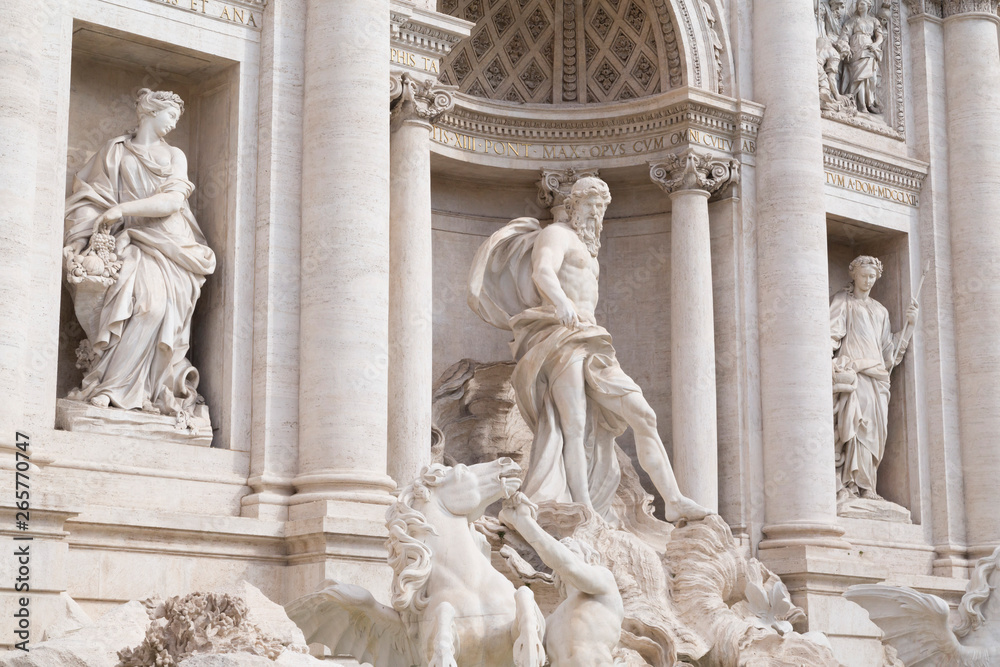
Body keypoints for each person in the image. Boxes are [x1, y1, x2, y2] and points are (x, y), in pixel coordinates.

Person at [468, 176, 709, 522]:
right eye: (590, 206)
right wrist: (562, 302)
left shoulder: (589, 251)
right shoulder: (557, 235)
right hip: (559, 336)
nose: (596, 214)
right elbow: (542, 271)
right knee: (574, 426)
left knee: (643, 414)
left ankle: (673, 499)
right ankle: (582, 507)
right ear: (572, 206)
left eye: (601, 208)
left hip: (592, 339)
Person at [62, 88, 216, 417]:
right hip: (130, 240)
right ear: (149, 112)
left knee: (154, 309)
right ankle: (111, 385)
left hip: (172, 243)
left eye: (178, 118)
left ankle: (132, 388)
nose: (174, 123)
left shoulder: (175, 155)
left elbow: (173, 202)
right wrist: (78, 239)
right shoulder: (115, 151)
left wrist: (121, 210)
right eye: (170, 115)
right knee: (135, 303)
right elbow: (92, 197)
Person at [499, 491, 623, 667]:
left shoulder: (604, 586)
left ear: (590, 559)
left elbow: (568, 565)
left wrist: (522, 520)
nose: (563, 551)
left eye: (570, 550)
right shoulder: (551, 620)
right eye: (561, 550)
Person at [830, 255, 917, 500]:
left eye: (872, 277)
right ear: (853, 275)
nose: (868, 281)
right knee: (857, 426)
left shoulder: (880, 310)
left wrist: (910, 326)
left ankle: (869, 485)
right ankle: (853, 485)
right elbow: (831, 334)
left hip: (878, 378)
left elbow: (889, 351)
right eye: (864, 275)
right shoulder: (843, 301)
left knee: (875, 433)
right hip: (856, 372)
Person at [839, 0, 884, 114]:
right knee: (859, 78)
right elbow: (845, 35)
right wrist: (846, 47)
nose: (860, 6)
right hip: (856, 48)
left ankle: (870, 102)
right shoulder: (852, 21)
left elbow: (880, 36)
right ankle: (862, 105)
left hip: (869, 48)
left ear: (869, 6)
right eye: (858, 4)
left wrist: (875, 44)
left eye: (862, 4)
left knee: (871, 78)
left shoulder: (874, 21)